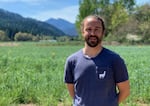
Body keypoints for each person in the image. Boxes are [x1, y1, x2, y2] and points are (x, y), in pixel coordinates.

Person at [64, 15, 130, 106]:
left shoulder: (115, 60)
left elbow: (125, 91)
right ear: (82, 32)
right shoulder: (72, 61)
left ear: (103, 32)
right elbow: (72, 92)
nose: (92, 33)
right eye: (89, 29)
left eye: (97, 29)